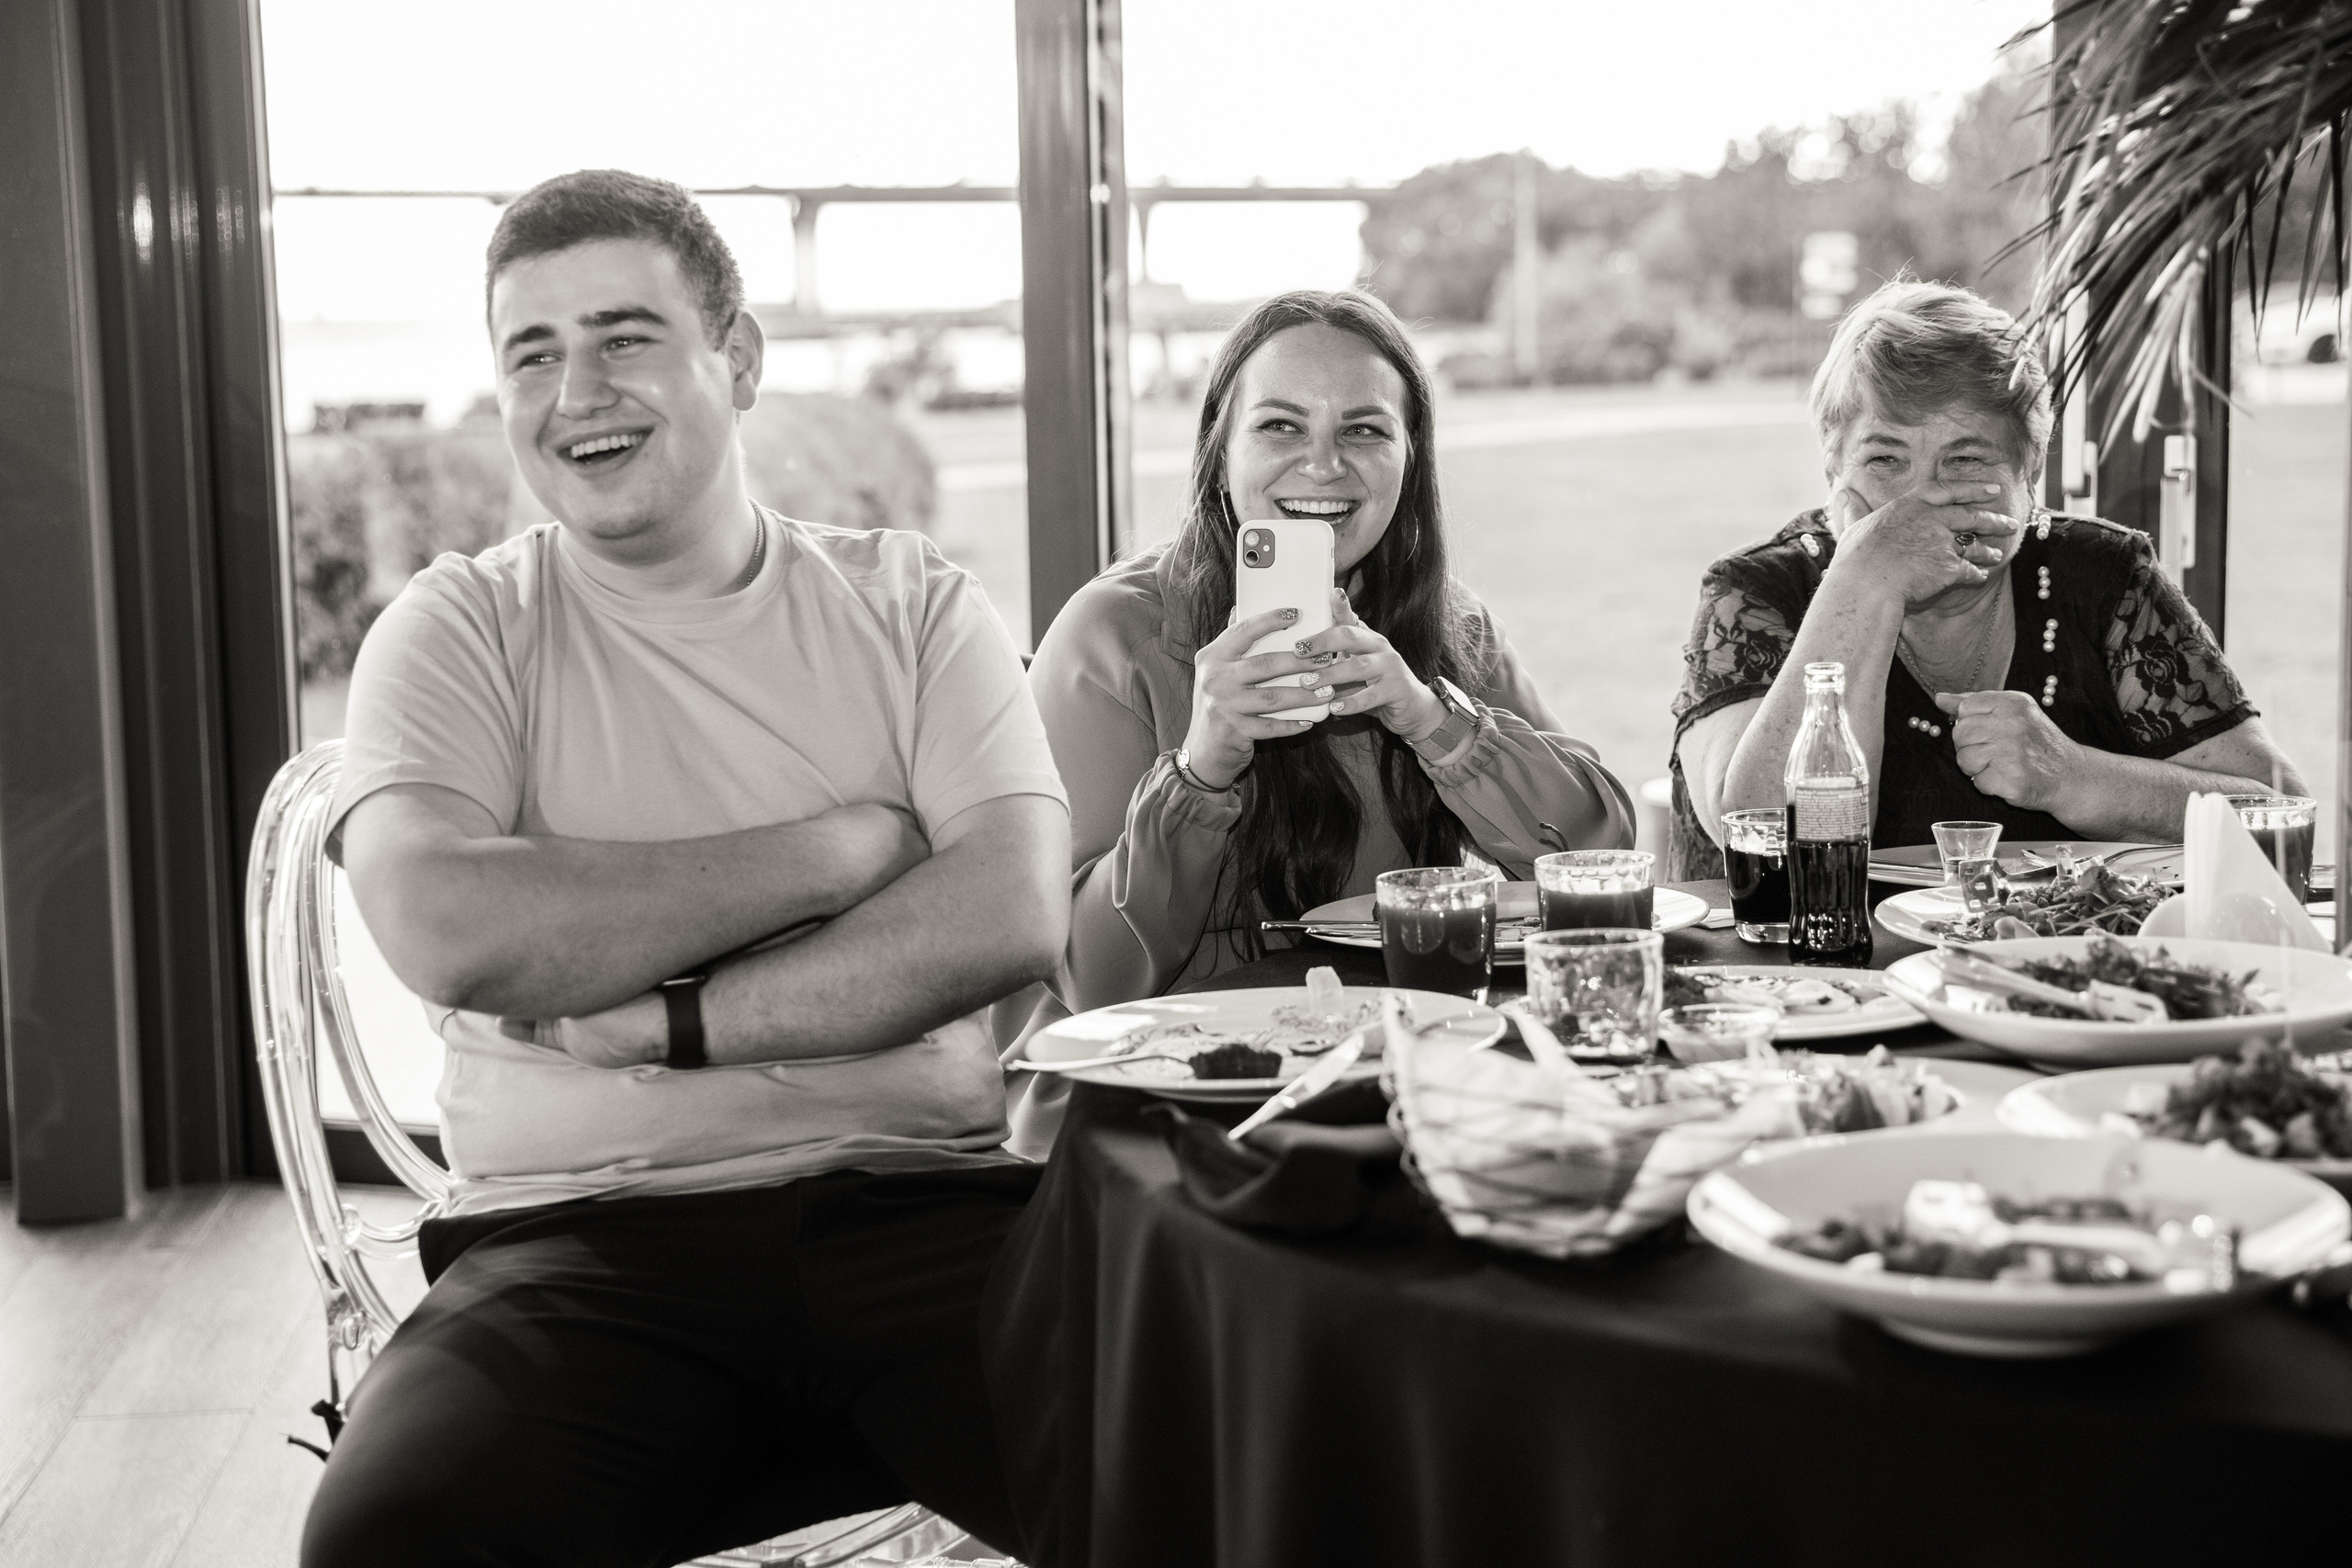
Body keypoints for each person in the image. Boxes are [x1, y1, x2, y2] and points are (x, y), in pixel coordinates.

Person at [301, 170, 1070, 1568]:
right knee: (391, 1543)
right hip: (573, 1245)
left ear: (741, 359)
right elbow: (448, 923)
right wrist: (838, 851)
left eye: (623, 337)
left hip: (927, 1212)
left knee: (1245, 1475)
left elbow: (1006, 913)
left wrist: (666, 1022)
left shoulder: (915, 607)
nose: (576, 392)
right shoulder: (458, 627)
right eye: (532, 354)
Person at [1009, 289, 1632, 1146]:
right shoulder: (1114, 634)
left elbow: (1604, 863)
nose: (1325, 464)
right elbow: (1093, 982)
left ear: (1411, 459)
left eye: (1365, 430)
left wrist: (1432, 718)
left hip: (1380, 1097)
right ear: (1219, 452)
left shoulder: (1444, 626)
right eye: (1281, 426)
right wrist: (1201, 768)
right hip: (1156, 1121)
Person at [1669, 278, 2301, 876]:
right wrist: (1865, 581)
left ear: (2030, 473)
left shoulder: (2104, 577)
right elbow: (1761, 838)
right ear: (1833, 467)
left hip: (2053, 953)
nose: (1920, 499)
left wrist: (2074, 777)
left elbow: (2281, 816)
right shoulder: (1754, 594)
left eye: (1966, 459)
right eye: (1885, 458)